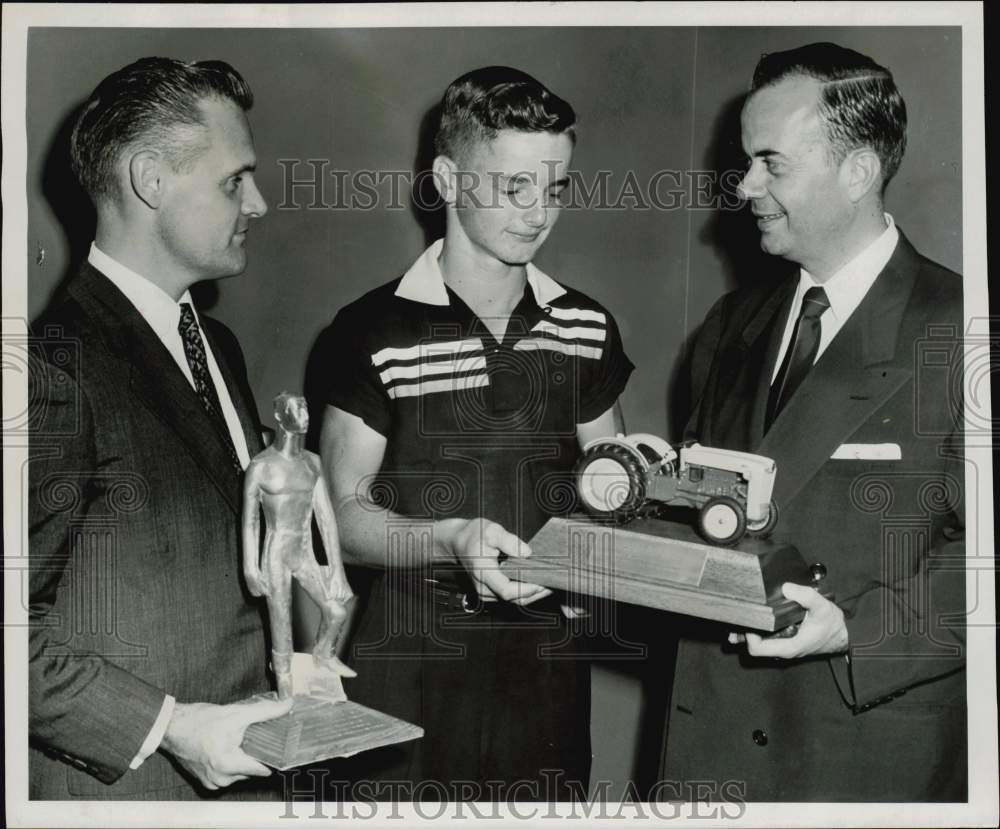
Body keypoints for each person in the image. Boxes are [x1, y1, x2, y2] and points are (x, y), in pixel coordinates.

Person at [659, 43, 966, 801]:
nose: (746, 185)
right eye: (745, 161)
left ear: (858, 171)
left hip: (855, 756)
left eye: (772, 163)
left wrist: (855, 630)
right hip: (711, 747)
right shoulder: (730, 324)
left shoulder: (961, 328)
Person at [319, 66, 634, 800]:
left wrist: (621, 515)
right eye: (514, 187)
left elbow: (613, 490)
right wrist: (451, 539)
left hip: (546, 664)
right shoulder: (373, 330)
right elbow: (343, 518)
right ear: (447, 178)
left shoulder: (586, 326)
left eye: (555, 188)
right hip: (409, 658)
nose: (539, 213)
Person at [29, 57, 291, 800]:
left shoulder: (218, 346)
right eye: (235, 180)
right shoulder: (54, 370)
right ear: (150, 180)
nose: (261, 204)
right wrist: (173, 726)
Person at [242, 392, 356, 699]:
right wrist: (250, 567)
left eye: (306, 407)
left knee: (335, 612)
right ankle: (284, 678)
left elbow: (326, 519)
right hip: (276, 553)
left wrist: (337, 570)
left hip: (303, 551)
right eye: (296, 409)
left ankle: (324, 653)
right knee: (281, 623)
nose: (304, 414)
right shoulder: (260, 467)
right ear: (280, 416)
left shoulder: (313, 463)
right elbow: (250, 521)